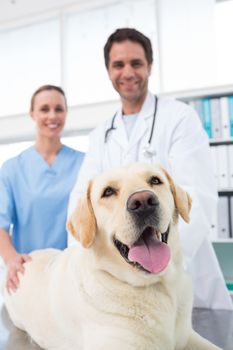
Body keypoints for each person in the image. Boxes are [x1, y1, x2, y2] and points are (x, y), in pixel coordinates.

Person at [68, 27, 232, 310]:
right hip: (119, 293)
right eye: (118, 64)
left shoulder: (180, 118)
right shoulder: (100, 135)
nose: (127, 72)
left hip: (183, 282)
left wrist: (165, 263)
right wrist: (81, 274)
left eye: (136, 63)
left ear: (150, 66)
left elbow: (197, 198)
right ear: (108, 71)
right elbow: (82, 204)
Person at [0, 84, 84, 292]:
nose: (52, 116)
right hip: (29, 273)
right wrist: (11, 259)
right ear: (32, 114)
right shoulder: (12, 169)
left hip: (75, 272)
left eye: (59, 109)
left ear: (66, 113)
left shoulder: (84, 163)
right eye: (44, 109)